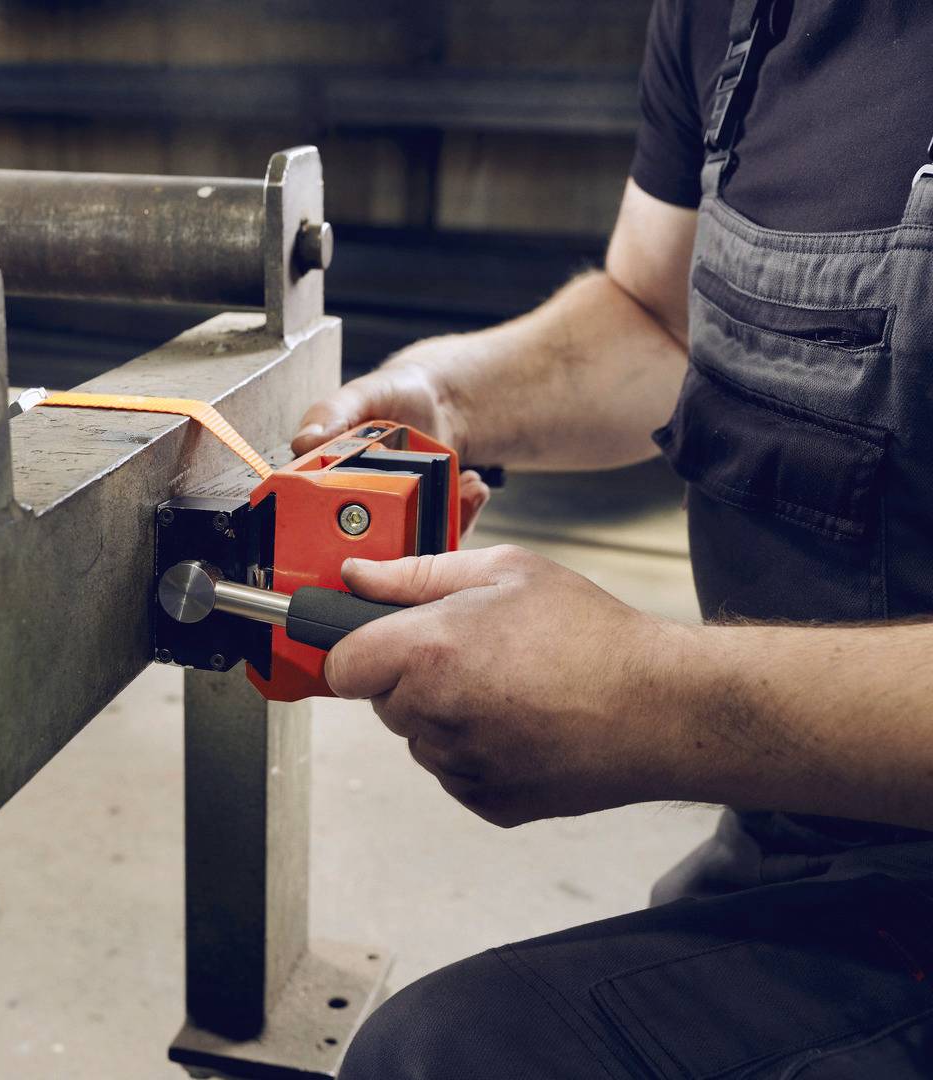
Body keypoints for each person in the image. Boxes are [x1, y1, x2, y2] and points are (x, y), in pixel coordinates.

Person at [314, 2, 933, 1076]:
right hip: (794, 837)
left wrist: (661, 699)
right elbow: (659, 319)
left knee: (441, 1062)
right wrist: (450, 400)